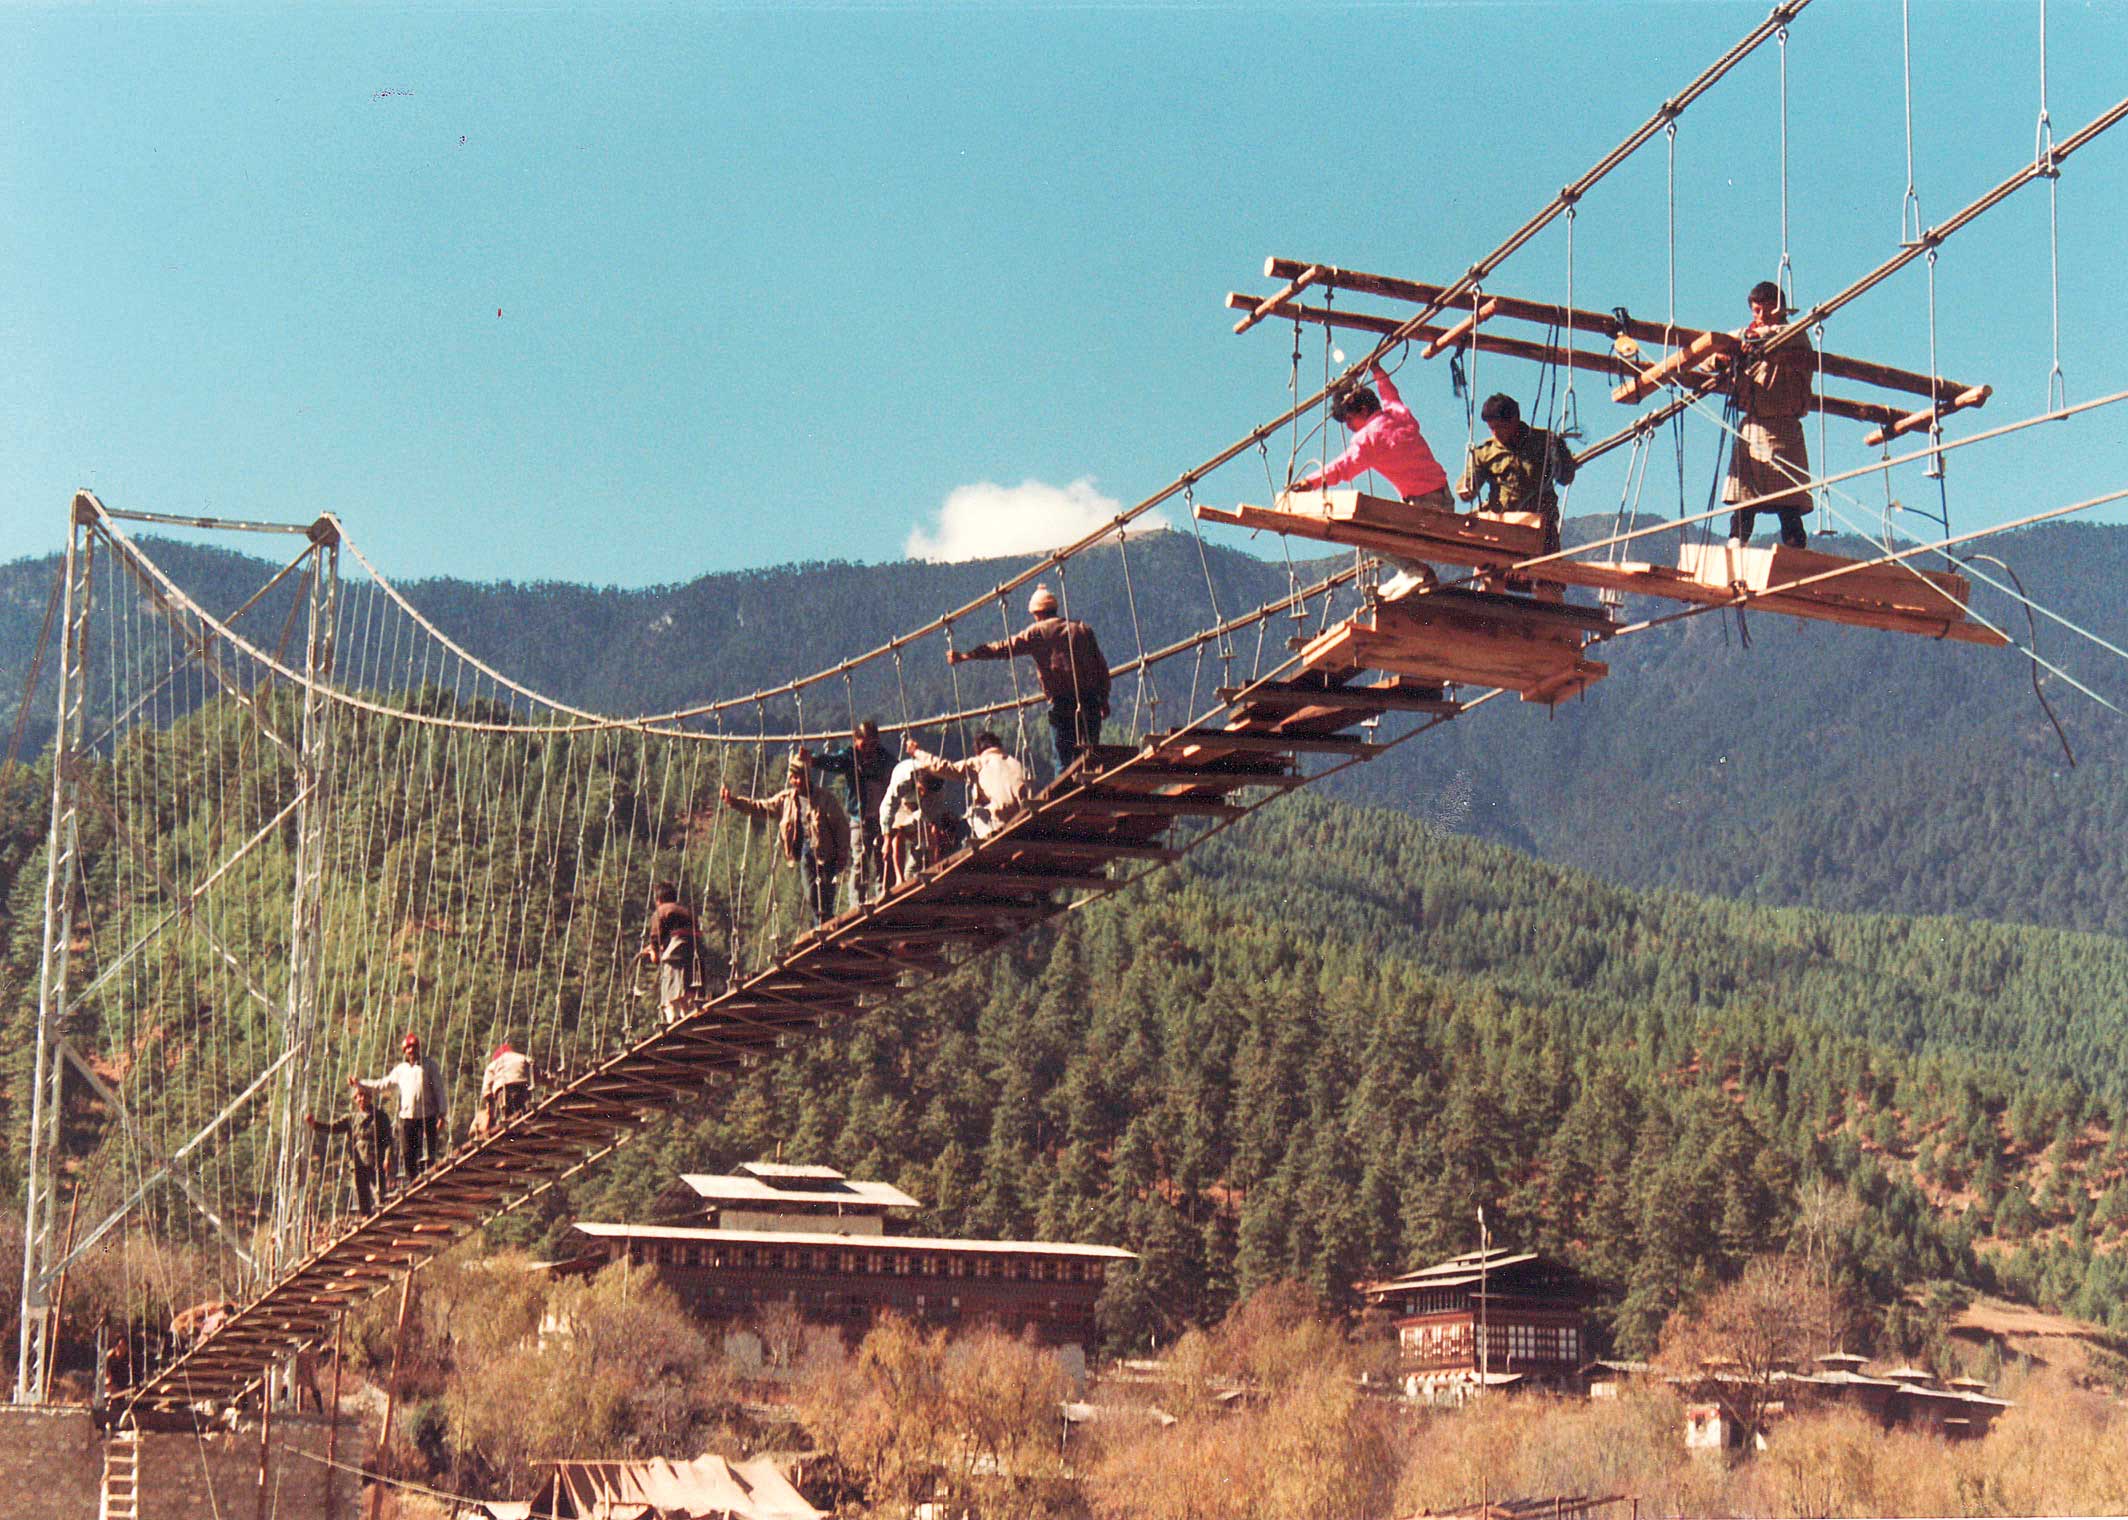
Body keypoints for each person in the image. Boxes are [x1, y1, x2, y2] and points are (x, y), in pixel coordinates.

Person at [1289, 360, 1453, 587]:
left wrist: (1311, 482)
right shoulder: (1399, 415)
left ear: (1363, 411)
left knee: (1361, 535)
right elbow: (1389, 393)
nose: (1348, 427)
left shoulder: (1368, 439)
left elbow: (1342, 467)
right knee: (1378, 528)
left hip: (1424, 510)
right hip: (1445, 501)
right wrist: (1377, 369)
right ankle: (1411, 571)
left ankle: (1414, 570)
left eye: (1349, 419)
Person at [948, 587, 1111, 774]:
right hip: (1090, 700)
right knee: (1091, 757)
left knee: (1063, 761)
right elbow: (1101, 667)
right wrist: (1103, 699)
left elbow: (1002, 648)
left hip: (1062, 704)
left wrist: (967, 656)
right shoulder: (1082, 629)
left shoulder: (1037, 632)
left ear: (1037, 613)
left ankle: (1063, 800)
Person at [1455, 392, 1578, 596]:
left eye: (1500, 427)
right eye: (1491, 428)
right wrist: (1467, 490)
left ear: (1514, 420)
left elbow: (1566, 478)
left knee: (1549, 580)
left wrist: (1561, 460)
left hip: (1540, 529)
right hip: (1501, 528)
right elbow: (1467, 484)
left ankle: (1550, 625)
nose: (1496, 433)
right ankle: (1489, 621)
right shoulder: (1486, 452)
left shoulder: (1545, 443)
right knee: (1489, 576)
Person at [1725, 279, 1816, 549]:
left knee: (1789, 503)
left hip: (1783, 430)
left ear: (1782, 310)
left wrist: (1751, 339)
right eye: (1756, 311)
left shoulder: (1795, 335)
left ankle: (1795, 552)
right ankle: (1735, 546)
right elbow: (1715, 351)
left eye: (1767, 309)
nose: (1761, 316)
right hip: (1751, 428)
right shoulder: (1747, 335)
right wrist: (1724, 355)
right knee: (1744, 502)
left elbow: (1779, 337)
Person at [720, 752, 852, 926]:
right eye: (794, 777)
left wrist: (842, 854)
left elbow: (841, 827)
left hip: (827, 853)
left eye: (801, 777)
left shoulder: (825, 799)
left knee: (826, 897)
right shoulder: (786, 800)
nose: (798, 781)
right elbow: (760, 807)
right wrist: (733, 801)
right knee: (812, 894)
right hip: (805, 851)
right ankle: (823, 928)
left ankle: (823, 929)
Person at [811, 720, 894, 900]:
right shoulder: (851, 757)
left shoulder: (884, 759)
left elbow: (897, 771)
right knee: (860, 862)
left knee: (884, 861)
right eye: (864, 744)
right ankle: (857, 904)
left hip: (881, 820)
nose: (868, 749)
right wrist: (813, 759)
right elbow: (833, 761)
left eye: (873, 744)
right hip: (860, 820)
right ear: (856, 741)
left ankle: (884, 896)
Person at [906, 731, 1031, 841]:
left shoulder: (979, 763)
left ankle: (987, 838)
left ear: (978, 751)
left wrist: (916, 752)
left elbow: (944, 767)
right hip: (1024, 818)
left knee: (973, 813)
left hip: (1000, 824)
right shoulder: (1016, 763)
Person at [362, 1033, 448, 1184]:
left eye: (414, 1046)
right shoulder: (400, 1070)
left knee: (429, 1155)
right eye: (408, 1048)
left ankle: (431, 1184)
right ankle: (414, 1184)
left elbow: (439, 1090)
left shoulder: (429, 1065)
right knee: (409, 1155)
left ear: (419, 1048)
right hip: (407, 1119)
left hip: (427, 1116)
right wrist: (360, 1084)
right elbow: (382, 1085)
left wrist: (442, 1115)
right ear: (404, 1051)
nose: (411, 1050)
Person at [305, 1080, 393, 1214]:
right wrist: (314, 1124)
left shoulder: (380, 1116)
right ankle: (366, 1216)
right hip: (358, 1161)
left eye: (364, 1095)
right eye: (358, 1096)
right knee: (361, 1191)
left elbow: (388, 1140)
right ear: (355, 1100)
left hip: (375, 1158)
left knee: (380, 1191)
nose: (361, 1099)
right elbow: (332, 1127)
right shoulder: (351, 1119)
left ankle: (383, 1213)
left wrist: (387, 1158)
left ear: (370, 1097)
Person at [878, 750, 961, 888]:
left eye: (925, 792)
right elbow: (887, 806)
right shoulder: (903, 779)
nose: (922, 794)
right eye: (921, 790)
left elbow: (933, 816)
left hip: (923, 807)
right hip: (903, 802)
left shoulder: (937, 789)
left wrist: (933, 827)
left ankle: (929, 868)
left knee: (930, 834)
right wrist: (886, 839)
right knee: (898, 833)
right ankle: (900, 879)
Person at [638, 880, 704, 1023]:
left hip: (676, 957)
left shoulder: (661, 912)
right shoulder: (687, 912)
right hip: (696, 955)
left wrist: (653, 952)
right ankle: (690, 1015)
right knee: (689, 994)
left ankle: (672, 1019)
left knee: (670, 995)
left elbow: (656, 939)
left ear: (658, 900)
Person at [482, 1039, 534, 1129]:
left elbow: (486, 1090)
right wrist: (554, 1083)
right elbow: (538, 1073)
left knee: (507, 1116)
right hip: (521, 1088)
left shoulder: (493, 1064)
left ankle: (509, 1124)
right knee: (521, 1111)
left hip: (502, 1092)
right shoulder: (522, 1057)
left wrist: (490, 1112)